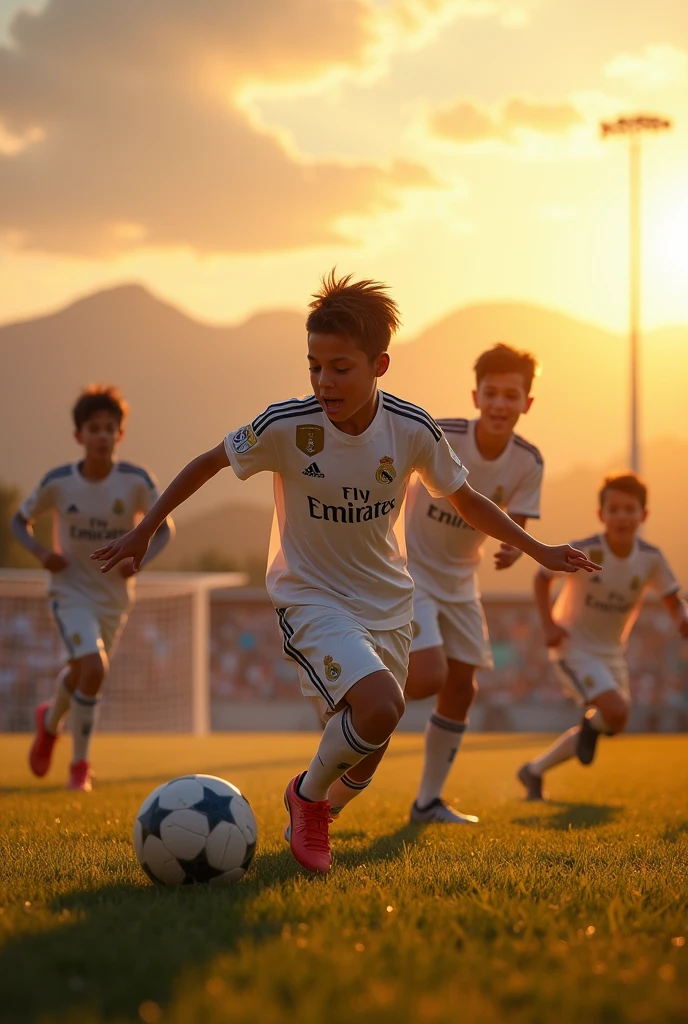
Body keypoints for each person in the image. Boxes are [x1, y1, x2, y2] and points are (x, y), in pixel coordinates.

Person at [92, 272, 599, 874]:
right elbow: (209, 462)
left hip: (387, 603)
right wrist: (146, 528)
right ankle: (306, 800)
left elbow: (466, 498)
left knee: (369, 751)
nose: (324, 382)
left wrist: (536, 548)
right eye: (314, 366)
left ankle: (314, 805)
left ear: (379, 365)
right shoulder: (287, 425)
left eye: (340, 368)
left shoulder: (410, 429)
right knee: (382, 708)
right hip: (310, 596)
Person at [328, 342, 544, 825]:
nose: (501, 404)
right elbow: (390, 471)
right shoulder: (441, 435)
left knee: (462, 688)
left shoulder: (529, 461)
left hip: (463, 581)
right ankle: (353, 699)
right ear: (476, 395)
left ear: (527, 403)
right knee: (428, 676)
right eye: (492, 393)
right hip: (412, 571)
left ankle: (427, 801)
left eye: (512, 396)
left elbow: (519, 520)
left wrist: (513, 547)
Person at [12, 385, 173, 791]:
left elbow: (164, 530)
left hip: (113, 598)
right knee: (94, 667)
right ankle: (79, 768)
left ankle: (49, 723)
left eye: (109, 429)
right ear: (78, 436)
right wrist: (40, 553)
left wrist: (140, 562)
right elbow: (19, 520)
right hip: (69, 591)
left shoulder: (136, 481)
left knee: (86, 672)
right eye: (93, 428)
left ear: (120, 435)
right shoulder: (58, 482)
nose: (102, 435)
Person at [517, 472, 687, 800]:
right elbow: (541, 578)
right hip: (574, 648)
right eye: (614, 509)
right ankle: (586, 732)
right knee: (613, 709)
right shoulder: (586, 551)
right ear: (601, 515)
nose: (622, 516)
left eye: (629, 509)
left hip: (612, 652)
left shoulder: (650, 558)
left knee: (615, 721)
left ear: (643, 514)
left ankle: (534, 771)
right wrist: (549, 625)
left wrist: (682, 618)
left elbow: (672, 599)